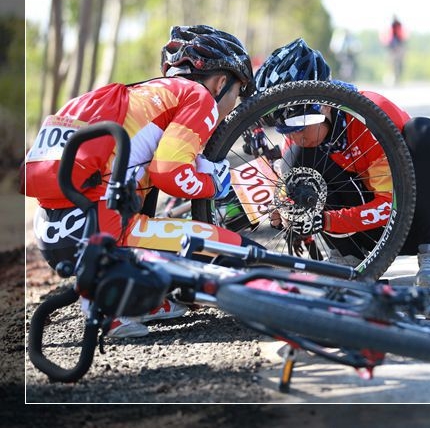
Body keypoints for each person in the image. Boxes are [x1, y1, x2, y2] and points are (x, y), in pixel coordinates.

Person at [22, 25, 260, 337]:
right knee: (243, 253)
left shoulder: (146, 93)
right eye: (238, 92)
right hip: (101, 232)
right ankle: (111, 306)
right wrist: (212, 184)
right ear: (220, 82)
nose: (235, 104)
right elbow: (169, 173)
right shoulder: (198, 96)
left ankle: (129, 298)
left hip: (56, 235)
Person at [255, 38, 430, 289]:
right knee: (295, 159)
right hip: (364, 234)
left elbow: (391, 203)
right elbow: (288, 195)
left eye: (299, 124)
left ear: (323, 106)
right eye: (284, 129)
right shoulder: (299, 143)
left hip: (419, 218)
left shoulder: (374, 111)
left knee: (425, 131)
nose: (294, 136)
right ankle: (345, 258)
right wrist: (286, 210)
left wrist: (328, 221)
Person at [383, 15, 406, 85]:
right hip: (393, 46)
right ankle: (394, 76)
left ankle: (398, 76)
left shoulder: (399, 26)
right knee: (392, 62)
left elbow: (402, 36)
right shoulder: (392, 26)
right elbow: (389, 38)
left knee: (399, 61)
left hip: (398, 45)